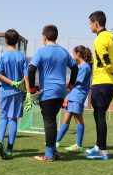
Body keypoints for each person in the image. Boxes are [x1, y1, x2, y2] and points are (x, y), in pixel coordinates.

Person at [29, 25, 78, 161]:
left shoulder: (40, 51)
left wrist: (32, 89)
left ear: (44, 37)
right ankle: (54, 151)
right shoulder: (64, 52)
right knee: (52, 120)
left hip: (49, 91)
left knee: (49, 121)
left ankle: (49, 154)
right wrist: (71, 85)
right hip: (61, 91)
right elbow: (75, 69)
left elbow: (31, 69)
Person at [85, 11, 113, 160]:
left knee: (100, 115)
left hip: (101, 81)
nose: (89, 26)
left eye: (90, 23)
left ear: (95, 23)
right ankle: (98, 146)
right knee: (98, 114)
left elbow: (106, 62)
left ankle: (103, 151)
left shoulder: (99, 39)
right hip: (110, 84)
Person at [0, 29, 31, 160]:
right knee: (13, 119)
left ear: (5, 40)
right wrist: (28, 93)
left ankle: (0, 140)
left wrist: (11, 83)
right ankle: (9, 149)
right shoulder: (22, 56)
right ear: (17, 41)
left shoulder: (2, 56)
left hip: (5, 91)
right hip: (18, 93)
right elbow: (26, 76)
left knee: (3, 118)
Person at [56, 45, 92, 151]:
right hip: (73, 96)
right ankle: (56, 141)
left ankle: (78, 145)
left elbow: (75, 82)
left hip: (78, 96)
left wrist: (65, 82)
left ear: (78, 54)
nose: (72, 55)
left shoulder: (85, 67)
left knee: (78, 120)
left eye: (73, 53)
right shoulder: (80, 66)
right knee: (65, 120)